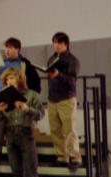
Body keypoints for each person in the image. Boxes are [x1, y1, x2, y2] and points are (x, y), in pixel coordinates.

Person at [0, 68, 44, 177]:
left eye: (12, 78)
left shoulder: (31, 94)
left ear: (19, 79)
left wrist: (27, 109)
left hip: (26, 133)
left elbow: (40, 114)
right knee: (16, 174)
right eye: (7, 79)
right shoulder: (4, 96)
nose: (9, 81)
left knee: (30, 173)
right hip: (10, 134)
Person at [0, 37, 40, 164]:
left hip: (16, 97)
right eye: (6, 48)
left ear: (18, 49)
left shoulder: (24, 64)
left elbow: (36, 83)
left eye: (10, 48)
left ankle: (17, 155)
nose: (7, 50)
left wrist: (28, 96)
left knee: (16, 126)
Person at [46, 32, 82, 169]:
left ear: (66, 44)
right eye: (54, 42)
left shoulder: (72, 60)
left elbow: (72, 82)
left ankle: (75, 157)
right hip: (52, 99)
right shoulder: (52, 58)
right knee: (55, 129)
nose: (56, 45)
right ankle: (62, 157)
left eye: (59, 43)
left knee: (69, 129)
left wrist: (59, 75)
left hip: (66, 98)